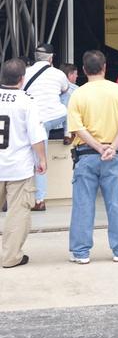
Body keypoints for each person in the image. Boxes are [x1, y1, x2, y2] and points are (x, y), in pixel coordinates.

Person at [66, 50, 118, 264]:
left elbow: (77, 128)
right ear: (105, 67)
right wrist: (111, 148)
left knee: (83, 204)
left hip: (86, 156)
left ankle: (81, 252)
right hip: (114, 156)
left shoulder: (77, 94)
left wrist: (97, 147)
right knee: (116, 203)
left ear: (84, 70)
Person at [0, 58, 47, 268]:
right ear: (22, 78)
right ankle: (10, 257)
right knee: (17, 214)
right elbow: (36, 136)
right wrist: (42, 159)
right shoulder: (26, 101)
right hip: (18, 167)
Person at [24, 42, 70, 211]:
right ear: (51, 58)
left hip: (33, 121)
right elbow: (65, 91)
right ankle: (67, 131)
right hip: (55, 117)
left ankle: (38, 199)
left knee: (36, 159)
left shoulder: (25, 72)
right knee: (68, 95)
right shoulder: (58, 74)